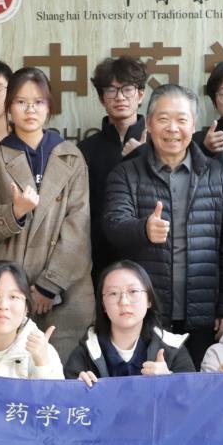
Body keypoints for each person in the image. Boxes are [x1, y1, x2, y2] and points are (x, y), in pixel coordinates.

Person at [103, 83, 223, 367]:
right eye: (164, 119)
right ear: (149, 123)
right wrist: (143, 229)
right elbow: (113, 225)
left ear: (193, 125)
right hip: (147, 315)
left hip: (203, 315)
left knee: (199, 387)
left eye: (181, 119)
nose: (172, 128)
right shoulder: (126, 173)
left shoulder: (216, 176)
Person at [0, 67, 93, 362]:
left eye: (38, 102)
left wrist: (48, 285)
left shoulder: (70, 155)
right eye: (21, 102)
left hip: (65, 290)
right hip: (8, 288)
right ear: (9, 108)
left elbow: (78, 226)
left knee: (59, 371)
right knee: (6, 373)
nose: (30, 110)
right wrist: (15, 212)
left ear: (49, 106)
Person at [65, 259, 194, 385]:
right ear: (103, 305)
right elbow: (66, 398)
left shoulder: (173, 350)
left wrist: (170, 381)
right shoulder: (83, 355)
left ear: (149, 300)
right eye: (113, 293)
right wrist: (77, 390)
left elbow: (194, 396)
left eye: (133, 291)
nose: (124, 302)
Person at [78, 56, 149, 280]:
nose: (120, 97)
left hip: (148, 255)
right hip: (99, 257)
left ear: (140, 94)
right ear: (102, 98)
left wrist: (143, 155)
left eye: (127, 89)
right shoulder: (85, 149)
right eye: (111, 90)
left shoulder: (157, 144)